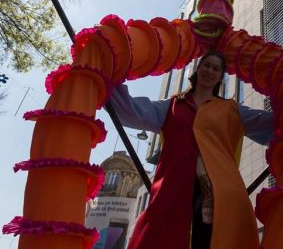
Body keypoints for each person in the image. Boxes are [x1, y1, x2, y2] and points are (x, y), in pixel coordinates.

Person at [108, 52, 274, 249]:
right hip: (172, 192)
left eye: (216, 68)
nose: (210, 71)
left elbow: (269, 124)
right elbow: (131, 111)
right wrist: (106, 76)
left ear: (221, 77)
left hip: (219, 195)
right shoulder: (172, 105)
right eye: (207, 65)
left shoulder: (231, 110)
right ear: (198, 69)